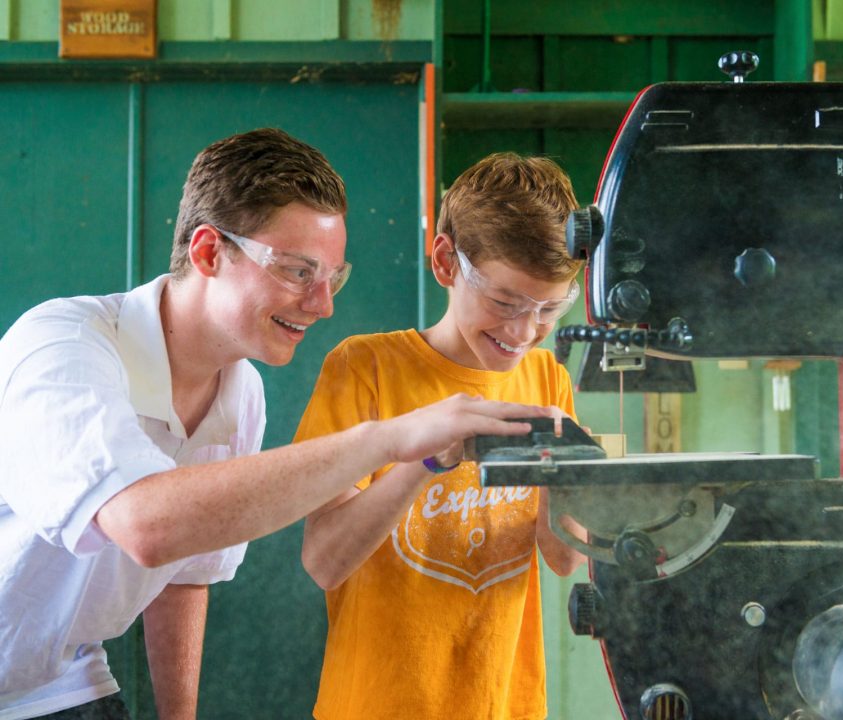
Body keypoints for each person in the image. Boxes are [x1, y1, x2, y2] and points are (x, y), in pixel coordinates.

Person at [0, 129, 553, 720]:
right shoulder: (62, 344)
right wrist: (394, 439)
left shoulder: (242, 393)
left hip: (63, 676)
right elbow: (145, 525)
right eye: (297, 272)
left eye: (333, 278)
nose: (323, 304)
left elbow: (183, 571)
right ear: (209, 251)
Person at [295, 152, 588, 720]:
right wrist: (425, 459)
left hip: (504, 703)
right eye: (504, 302)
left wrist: (570, 475)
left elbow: (564, 559)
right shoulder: (364, 368)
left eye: (549, 308)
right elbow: (324, 561)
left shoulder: (548, 379)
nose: (524, 331)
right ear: (447, 260)